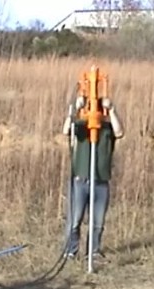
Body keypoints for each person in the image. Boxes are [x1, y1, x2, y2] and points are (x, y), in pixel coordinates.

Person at [62, 95, 124, 262]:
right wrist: (74, 109)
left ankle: (93, 252)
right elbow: (66, 130)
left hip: (100, 182)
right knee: (75, 220)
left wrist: (111, 110)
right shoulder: (80, 126)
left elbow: (119, 132)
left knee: (97, 222)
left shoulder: (107, 128)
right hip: (80, 181)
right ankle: (70, 251)